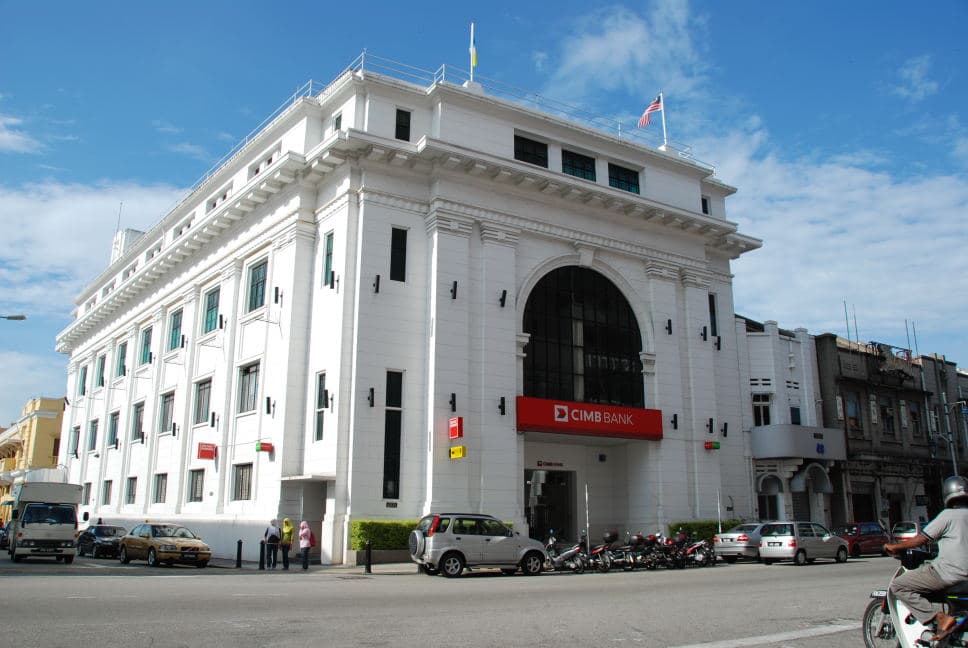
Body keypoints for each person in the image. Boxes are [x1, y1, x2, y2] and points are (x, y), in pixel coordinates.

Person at [885, 475, 968, 641]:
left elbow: (922, 538)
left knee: (899, 585)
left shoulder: (948, 515)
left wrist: (895, 546)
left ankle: (939, 618)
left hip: (949, 574)